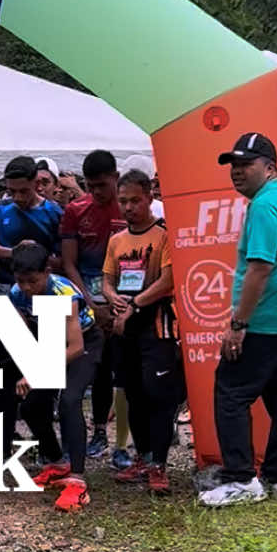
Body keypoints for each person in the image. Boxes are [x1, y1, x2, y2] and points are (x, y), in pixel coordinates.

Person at [199, 132, 277, 507]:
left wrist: (238, 324)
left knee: (231, 394)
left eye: (245, 164)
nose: (236, 172)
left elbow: (259, 268)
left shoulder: (266, 205)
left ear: (269, 166)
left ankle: (241, 478)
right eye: (233, 165)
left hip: (263, 322)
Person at [103, 169, 181, 496]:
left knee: (157, 394)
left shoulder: (164, 236)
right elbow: (107, 279)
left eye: (135, 200)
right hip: (126, 327)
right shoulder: (117, 240)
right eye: (123, 201)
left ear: (150, 197)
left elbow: (168, 280)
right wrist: (112, 298)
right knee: (133, 394)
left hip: (157, 325)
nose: (129, 207)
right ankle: (143, 458)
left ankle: (160, 465)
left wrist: (136, 304)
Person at [9, 242, 101, 513]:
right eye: (21, 281)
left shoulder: (63, 294)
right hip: (50, 343)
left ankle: (78, 480)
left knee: (70, 401)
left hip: (84, 344)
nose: (26, 287)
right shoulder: (16, 293)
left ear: (47, 272)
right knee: (31, 406)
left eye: (33, 281)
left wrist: (37, 372)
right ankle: (57, 463)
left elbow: (75, 347)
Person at [60, 150, 127, 466]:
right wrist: (90, 305)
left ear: (115, 177)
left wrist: (120, 306)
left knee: (124, 370)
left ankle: (131, 442)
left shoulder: (128, 206)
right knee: (96, 370)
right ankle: (98, 431)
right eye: (91, 185)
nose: (97, 192)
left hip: (125, 300)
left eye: (102, 185)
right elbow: (69, 264)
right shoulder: (75, 210)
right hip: (88, 302)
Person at [0, 156, 63, 288]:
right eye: (12, 191)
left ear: (36, 184)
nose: (18, 197)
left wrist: (34, 256)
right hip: (3, 284)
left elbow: (64, 260)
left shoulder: (54, 213)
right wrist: (14, 252)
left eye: (24, 191)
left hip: (42, 287)